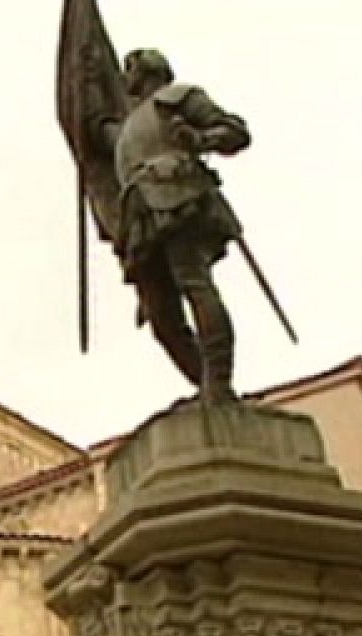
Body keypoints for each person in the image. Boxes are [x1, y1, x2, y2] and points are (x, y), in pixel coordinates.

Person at [87, 48, 250, 402]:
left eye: (130, 68)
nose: (124, 76)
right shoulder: (127, 127)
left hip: (178, 197)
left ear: (150, 69)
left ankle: (218, 383)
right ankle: (203, 382)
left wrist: (200, 139)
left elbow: (235, 131)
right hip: (139, 216)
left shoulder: (177, 98)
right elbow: (99, 137)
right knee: (160, 313)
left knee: (194, 282)